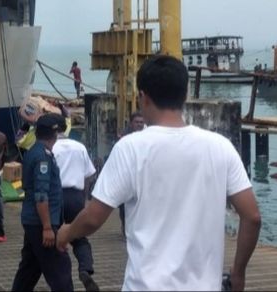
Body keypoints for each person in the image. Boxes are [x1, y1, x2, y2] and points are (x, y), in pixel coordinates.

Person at [57, 55, 262, 291]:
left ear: (142, 97)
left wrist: (66, 233)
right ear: (185, 95)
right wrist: (238, 273)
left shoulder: (130, 148)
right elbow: (252, 217)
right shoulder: (220, 146)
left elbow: (93, 218)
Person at [12, 114, 73, 292]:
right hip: (41, 223)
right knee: (60, 270)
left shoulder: (33, 151)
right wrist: (47, 227)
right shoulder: (43, 157)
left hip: (33, 221)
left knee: (29, 270)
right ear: (55, 134)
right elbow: (41, 195)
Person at [51, 115, 98, 292]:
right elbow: (89, 175)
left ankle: (62, 278)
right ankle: (85, 269)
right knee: (79, 236)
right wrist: (84, 198)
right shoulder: (80, 147)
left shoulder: (50, 148)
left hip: (56, 196)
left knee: (57, 236)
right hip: (76, 196)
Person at [117, 111, 145, 235]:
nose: (139, 124)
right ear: (131, 123)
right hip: (126, 174)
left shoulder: (147, 135)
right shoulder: (124, 136)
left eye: (141, 122)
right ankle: (125, 225)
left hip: (142, 174)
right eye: (137, 122)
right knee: (124, 203)